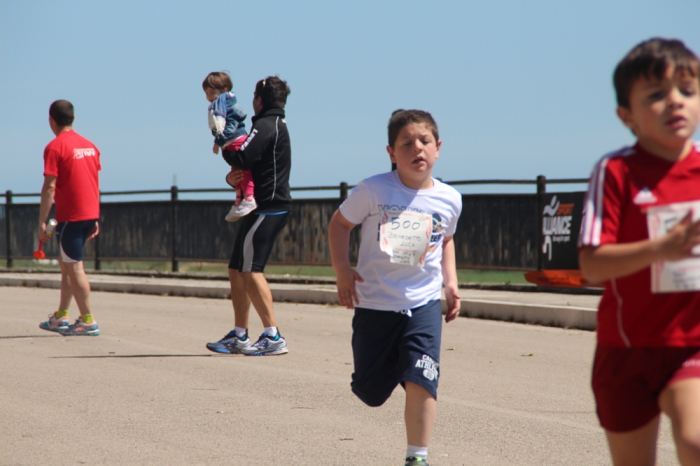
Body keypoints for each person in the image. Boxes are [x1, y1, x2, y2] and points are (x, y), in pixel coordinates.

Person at [578, 38, 700, 466]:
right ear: (626, 116)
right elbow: (592, 265)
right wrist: (664, 248)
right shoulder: (615, 172)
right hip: (626, 352)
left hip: (692, 345)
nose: (675, 103)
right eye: (656, 95)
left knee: (696, 440)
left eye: (687, 91)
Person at [328, 109, 462, 466]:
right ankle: (398, 370)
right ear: (391, 152)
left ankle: (416, 457)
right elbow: (339, 225)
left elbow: (445, 239)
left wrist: (450, 282)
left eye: (425, 141)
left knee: (423, 376)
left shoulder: (450, 199)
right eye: (406, 143)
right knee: (370, 392)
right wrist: (342, 270)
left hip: (423, 304)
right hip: (375, 304)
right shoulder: (373, 189)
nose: (417, 148)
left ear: (438, 148)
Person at [206, 76, 293, 356]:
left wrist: (221, 138)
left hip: (269, 207)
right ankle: (240, 334)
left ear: (259, 100)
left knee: (251, 270)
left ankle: (273, 335)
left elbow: (242, 157)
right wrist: (234, 180)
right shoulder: (271, 124)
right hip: (261, 207)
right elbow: (247, 166)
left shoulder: (266, 125)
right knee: (236, 268)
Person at [38, 100, 101, 337]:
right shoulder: (90, 146)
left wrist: (42, 221)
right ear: (72, 118)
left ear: (51, 119)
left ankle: (88, 321)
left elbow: (49, 187)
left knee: (74, 268)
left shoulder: (55, 147)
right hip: (87, 215)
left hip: (71, 218)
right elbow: (93, 180)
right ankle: (61, 316)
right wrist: (95, 215)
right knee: (67, 265)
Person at [202, 71, 254, 222]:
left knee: (244, 171)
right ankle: (239, 201)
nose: (209, 97)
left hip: (237, 140)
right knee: (235, 174)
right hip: (229, 143)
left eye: (212, 92)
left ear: (224, 90)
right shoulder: (219, 106)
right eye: (206, 93)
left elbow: (232, 125)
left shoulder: (229, 105)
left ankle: (249, 198)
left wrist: (219, 141)